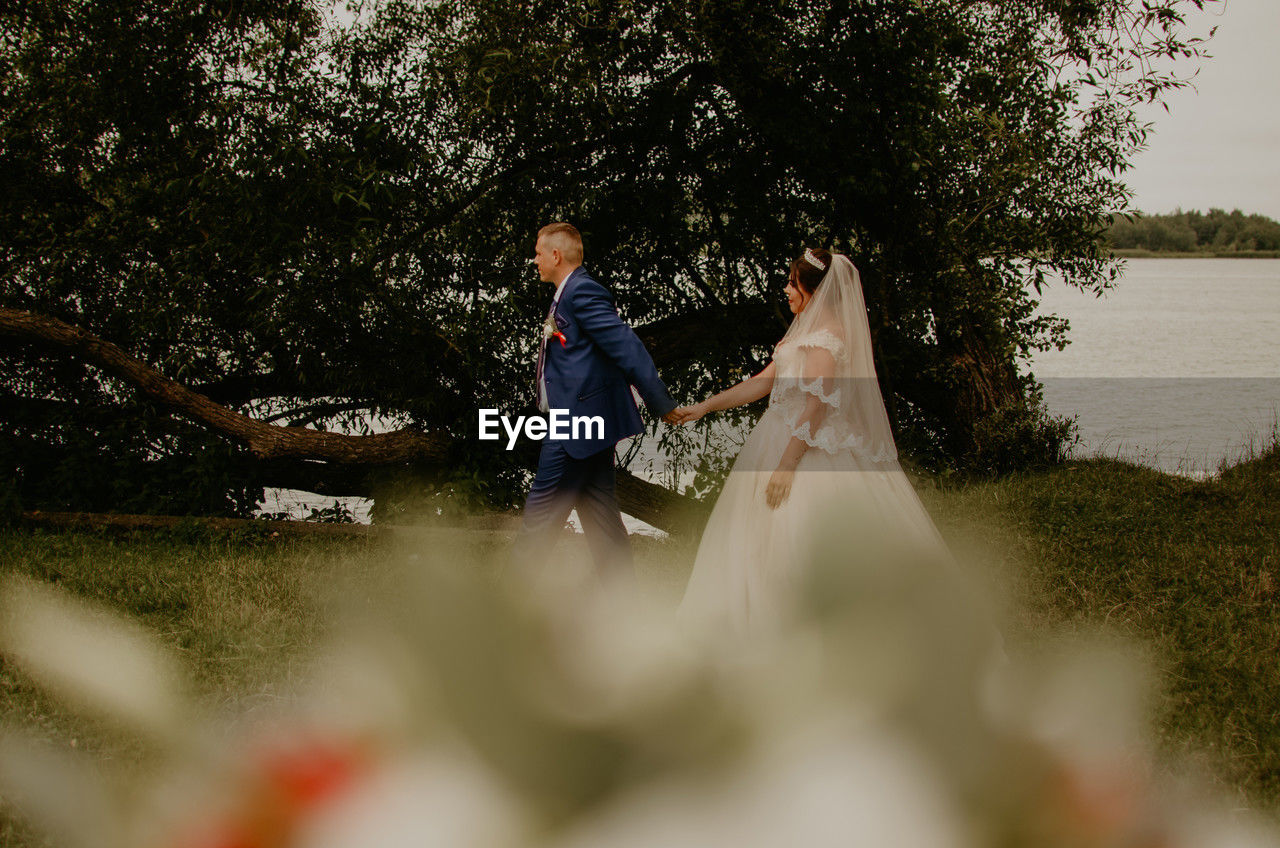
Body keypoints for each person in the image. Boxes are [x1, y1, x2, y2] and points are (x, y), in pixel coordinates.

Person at [672, 248, 951, 633]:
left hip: (804, 450)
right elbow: (762, 382)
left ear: (814, 290)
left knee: (799, 541)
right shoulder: (802, 331)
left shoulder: (827, 338)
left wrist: (786, 465)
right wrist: (706, 406)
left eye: (792, 283)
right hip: (777, 438)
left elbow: (818, 406)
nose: (786, 290)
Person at [510, 222, 681, 581]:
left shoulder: (581, 292)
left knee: (538, 523)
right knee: (603, 525)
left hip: (573, 426)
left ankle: (509, 608)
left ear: (555, 255)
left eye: (539, 252)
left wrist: (661, 403)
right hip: (587, 425)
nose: (535, 259)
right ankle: (623, 609)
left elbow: (626, 347)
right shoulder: (568, 293)